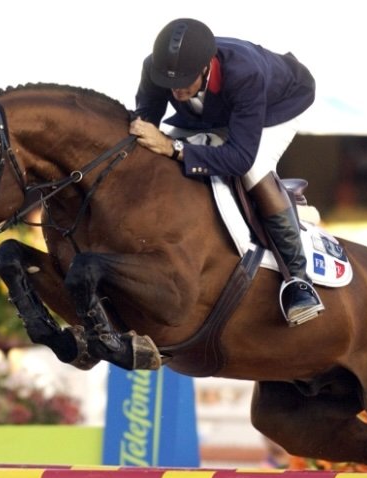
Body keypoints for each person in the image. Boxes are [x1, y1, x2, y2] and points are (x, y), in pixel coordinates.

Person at [129, 18, 323, 326]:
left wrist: (174, 149)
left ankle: (299, 280)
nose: (176, 90)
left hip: (279, 104)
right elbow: (144, 126)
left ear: (206, 66)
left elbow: (240, 158)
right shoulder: (156, 68)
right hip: (212, 113)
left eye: (185, 80)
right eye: (170, 82)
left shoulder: (245, 73)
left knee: (255, 170)